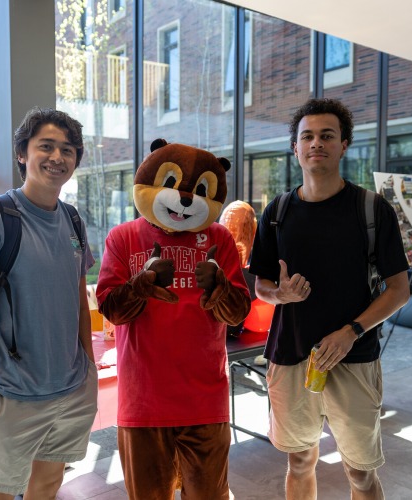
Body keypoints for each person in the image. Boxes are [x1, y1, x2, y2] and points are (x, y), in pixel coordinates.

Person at [249, 98, 410, 500]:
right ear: (296, 148)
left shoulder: (371, 209)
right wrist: (279, 294)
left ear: (343, 145)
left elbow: (399, 289)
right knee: (299, 461)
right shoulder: (277, 212)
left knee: (360, 472)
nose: (316, 143)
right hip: (291, 354)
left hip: (352, 356)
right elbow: (260, 285)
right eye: (307, 136)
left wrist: (351, 332)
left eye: (326, 135)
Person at [96, 140, 251, 499]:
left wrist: (221, 287)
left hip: (205, 400)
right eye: (172, 185)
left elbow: (238, 312)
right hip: (143, 401)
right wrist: (141, 285)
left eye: (198, 191)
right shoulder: (123, 237)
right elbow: (111, 309)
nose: (184, 199)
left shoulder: (219, 238)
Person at [0, 107, 98, 499]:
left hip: (70, 389)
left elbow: (78, 303)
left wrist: (87, 369)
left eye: (68, 150)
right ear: (23, 153)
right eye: (46, 146)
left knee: (49, 483)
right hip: (11, 396)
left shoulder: (72, 220)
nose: (57, 157)